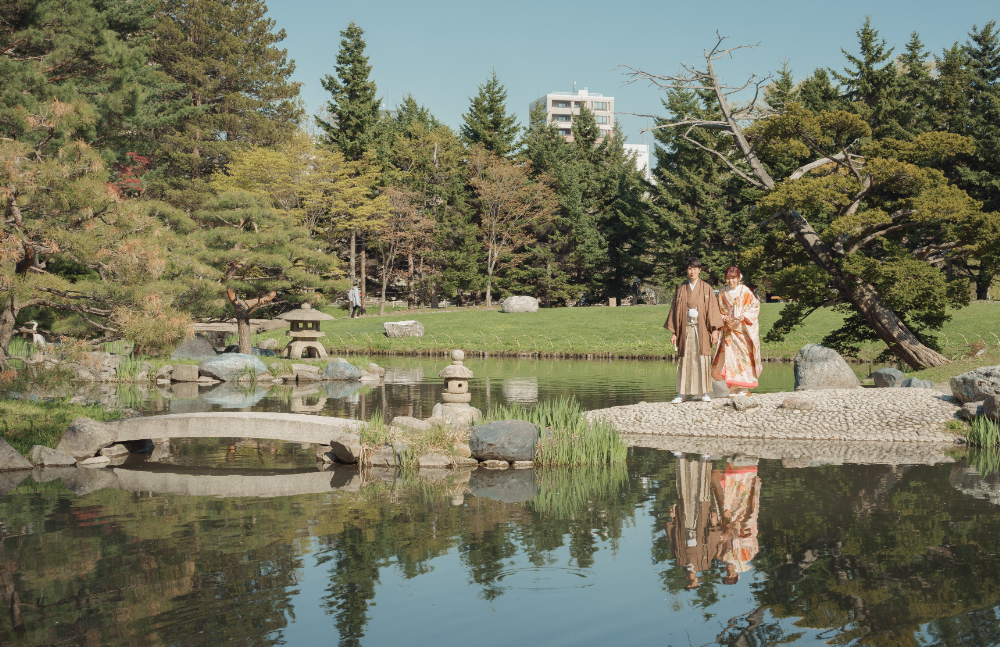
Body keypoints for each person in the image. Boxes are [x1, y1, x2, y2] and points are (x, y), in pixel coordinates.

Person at [664, 258, 722, 403]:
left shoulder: (706, 288)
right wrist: (674, 332)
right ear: (687, 270)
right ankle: (682, 393)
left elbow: (713, 310)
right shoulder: (681, 289)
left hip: (702, 328)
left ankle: (704, 392)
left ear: (700, 270)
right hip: (685, 329)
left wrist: (715, 331)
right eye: (690, 268)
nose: (692, 271)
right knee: (685, 359)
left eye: (695, 268)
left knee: (703, 358)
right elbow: (675, 311)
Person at [711, 266, 762, 395]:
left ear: (738, 278)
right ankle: (733, 387)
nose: (730, 281)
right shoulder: (722, 293)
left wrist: (744, 316)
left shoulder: (745, 291)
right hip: (729, 331)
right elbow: (719, 311)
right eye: (728, 278)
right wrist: (723, 318)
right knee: (730, 359)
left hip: (743, 330)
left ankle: (744, 388)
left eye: (733, 278)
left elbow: (755, 306)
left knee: (744, 357)